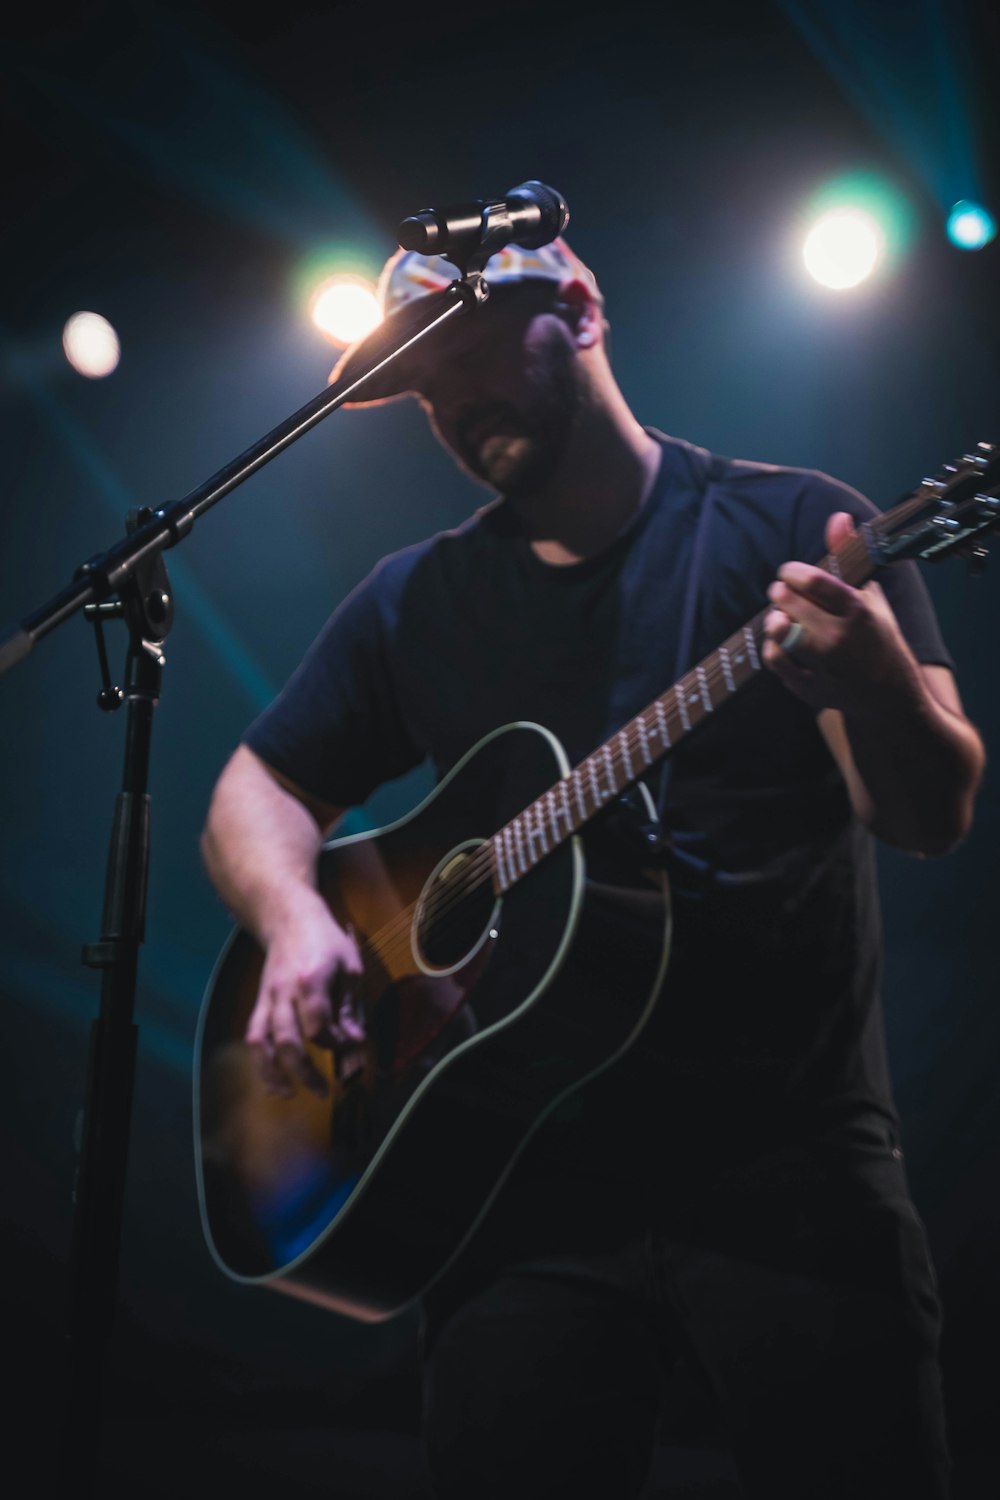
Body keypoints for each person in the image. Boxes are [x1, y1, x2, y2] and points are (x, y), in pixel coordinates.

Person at [200, 236, 985, 1499]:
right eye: (425, 387)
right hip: (512, 1192)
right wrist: (295, 918)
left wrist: (877, 677)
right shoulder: (420, 597)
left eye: (468, 358)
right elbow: (258, 785)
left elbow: (929, 812)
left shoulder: (797, 526)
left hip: (786, 1173)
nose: (454, 406)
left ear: (579, 307)